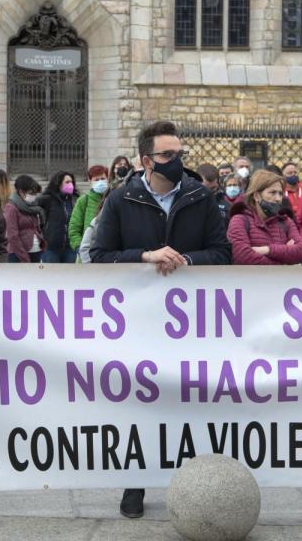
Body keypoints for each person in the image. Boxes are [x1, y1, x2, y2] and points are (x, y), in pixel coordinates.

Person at [92, 121, 230, 519]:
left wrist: (186, 260)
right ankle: (135, 482)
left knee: (190, 402)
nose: (177, 162)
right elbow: (100, 256)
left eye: (180, 154)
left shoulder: (200, 197)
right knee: (140, 402)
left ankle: (194, 483)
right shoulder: (122, 199)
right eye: (169, 156)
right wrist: (145, 256)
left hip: (192, 322)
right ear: (146, 160)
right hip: (139, 321)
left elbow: (221, 253)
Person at [228, 171, 302, 265]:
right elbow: (242, 256)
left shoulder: (286, 222)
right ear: (256, 196)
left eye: (280, 194)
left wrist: (267, 250)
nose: (278, 198)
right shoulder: (239, 220)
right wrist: (283, 262)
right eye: (272, 193)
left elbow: (301, 251)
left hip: (282, 279)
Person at [37, 171, 79, 263]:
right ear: (58, 184)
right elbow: (33, 208)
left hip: (70, 248)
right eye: (67, 182)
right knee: (52, 276)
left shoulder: (75, 200)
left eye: (71, 182)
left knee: (68, 275)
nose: (70, 184)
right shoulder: (48, 199)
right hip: (51, 248)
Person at [3, 175, 45, 263]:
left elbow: (36, 228)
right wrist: (24, 258)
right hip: (18, 255)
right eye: (31, 193)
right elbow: (12, 236)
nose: (33, 196)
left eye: (35, 194)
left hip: (36, 251)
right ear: (21, 192)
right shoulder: (11, 207)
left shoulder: (33, 206)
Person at [67, 166, 108, 254]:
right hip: (87, 255)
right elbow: (74, 229)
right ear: (90, 181)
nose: (100, 182)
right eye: (96, 180)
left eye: (102, 179)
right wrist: (80, 248)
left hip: (109, 254)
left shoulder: (113, 199)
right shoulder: (83, 201)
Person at [281, 162, 302, 233]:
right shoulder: (280, 193)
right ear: (283, 176)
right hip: (287, 230)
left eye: (295, 172)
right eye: (289, 173)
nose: (293, 175)